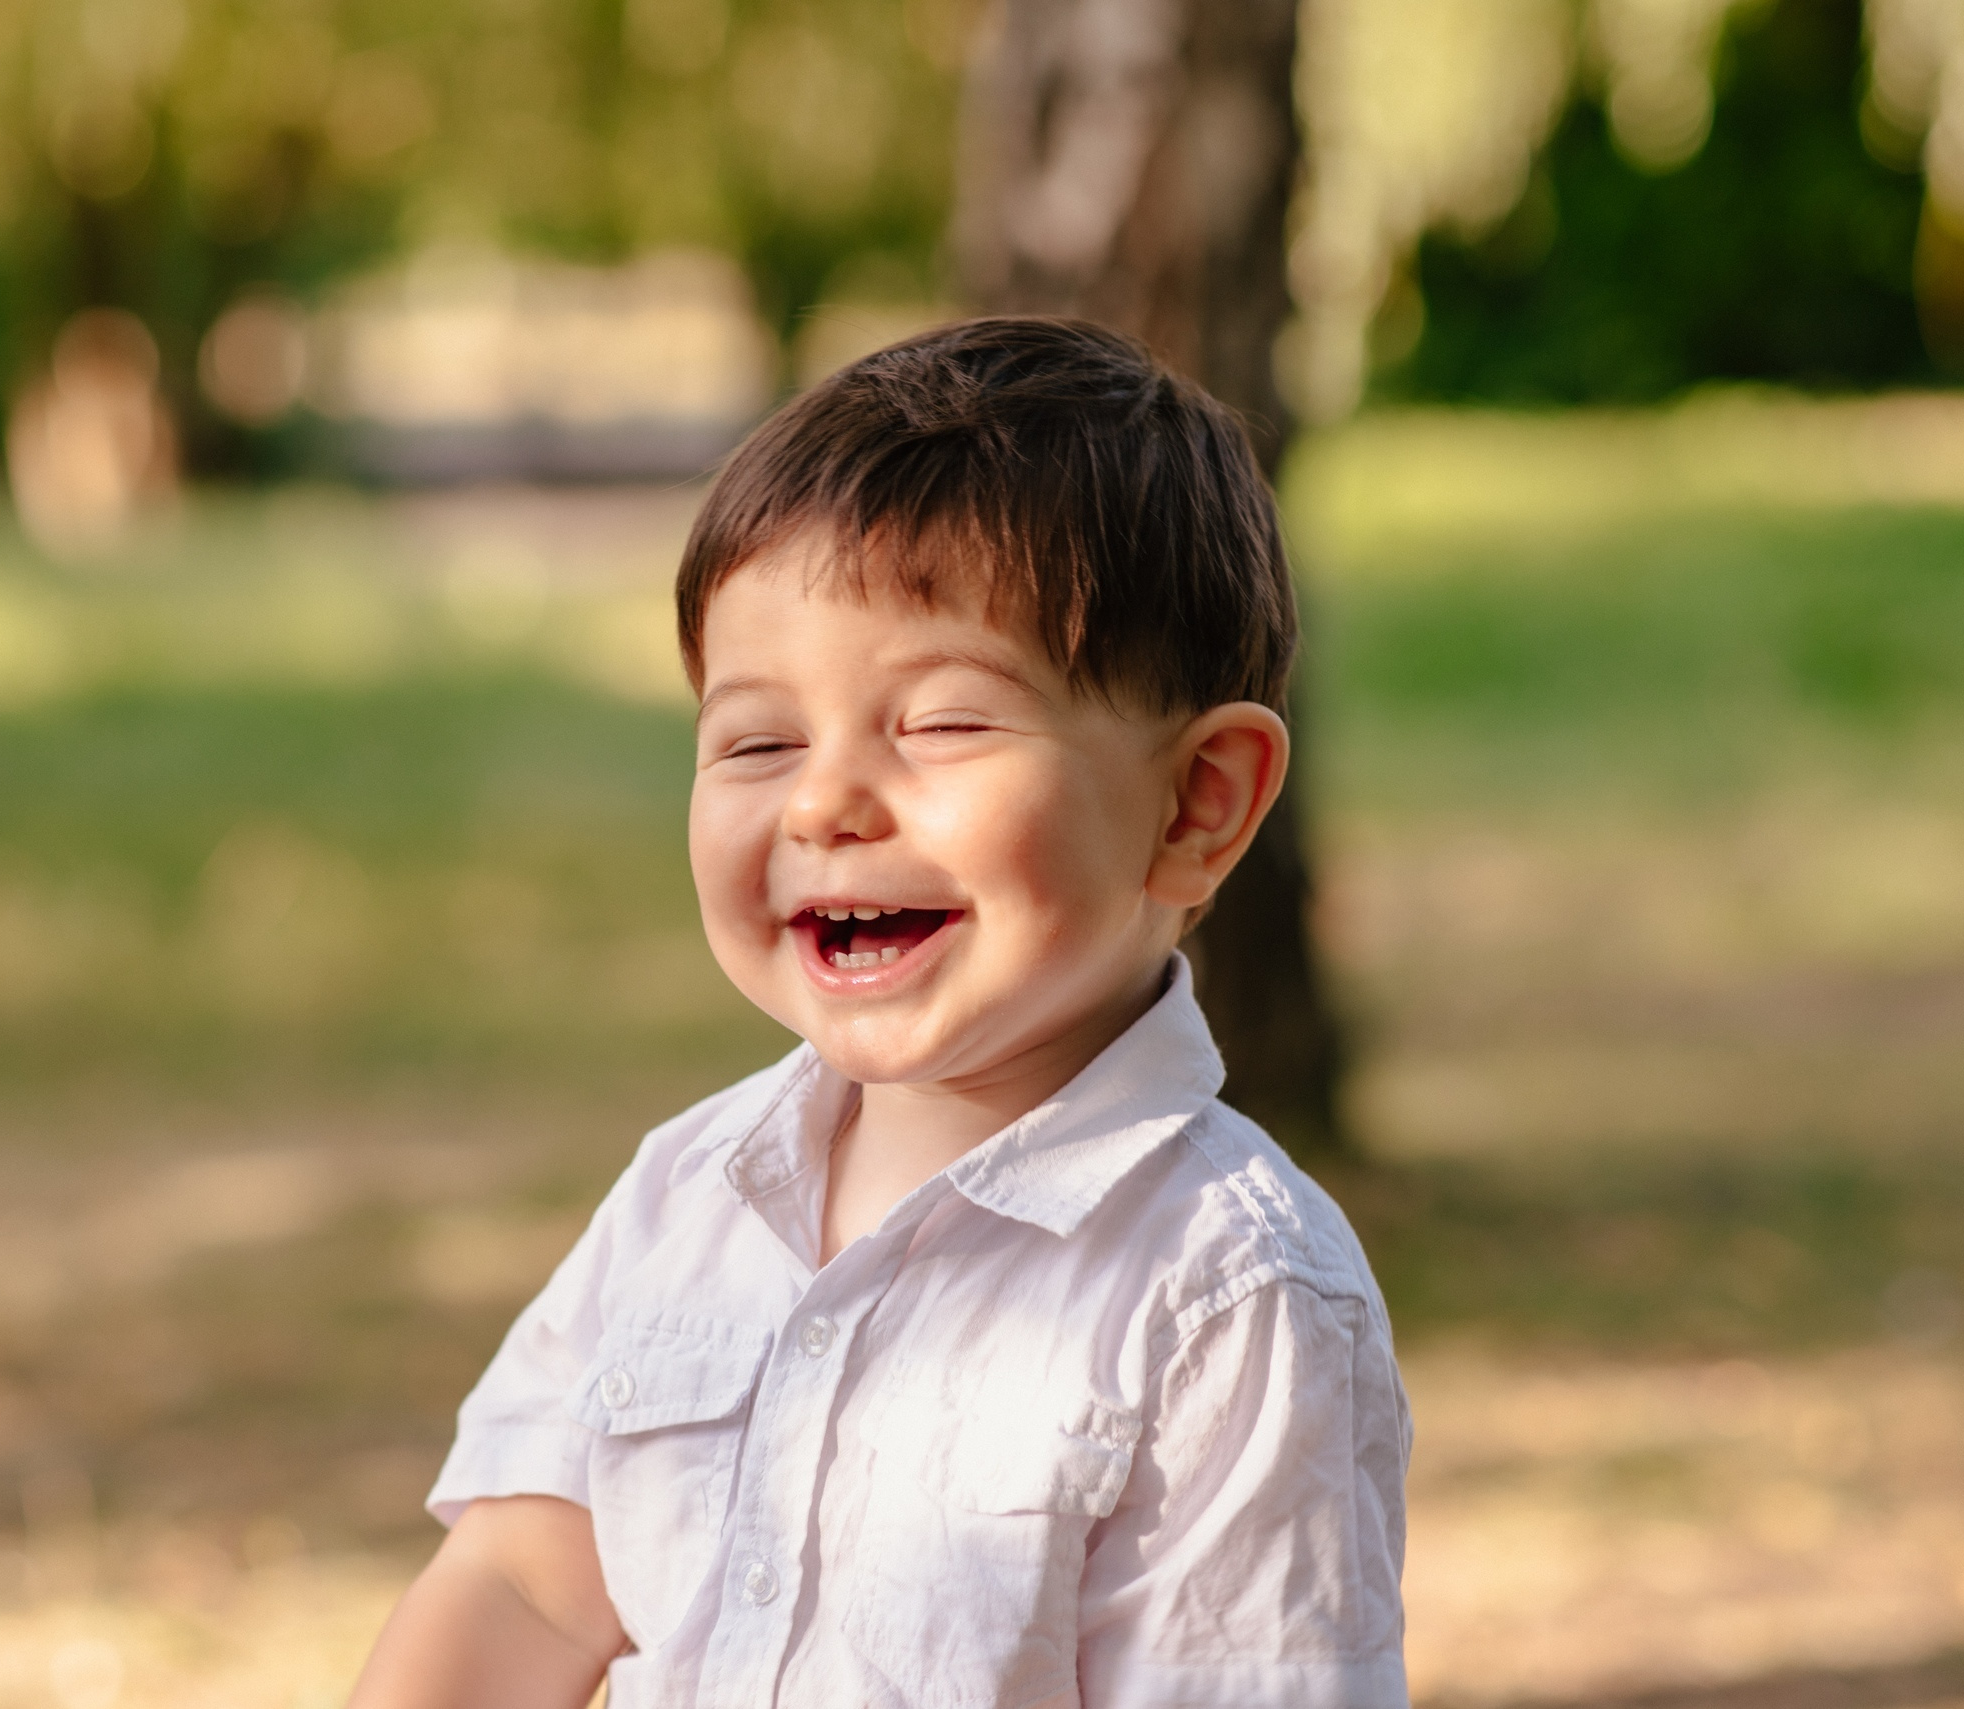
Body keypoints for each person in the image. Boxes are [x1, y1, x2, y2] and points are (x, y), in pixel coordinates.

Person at [345, 317, 1410, 1709]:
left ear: (1197, 802)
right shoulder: (690, 1196)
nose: (824, 802)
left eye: (943, 722)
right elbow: (520, 1587)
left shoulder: (1226, 1299)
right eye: (758, 740)